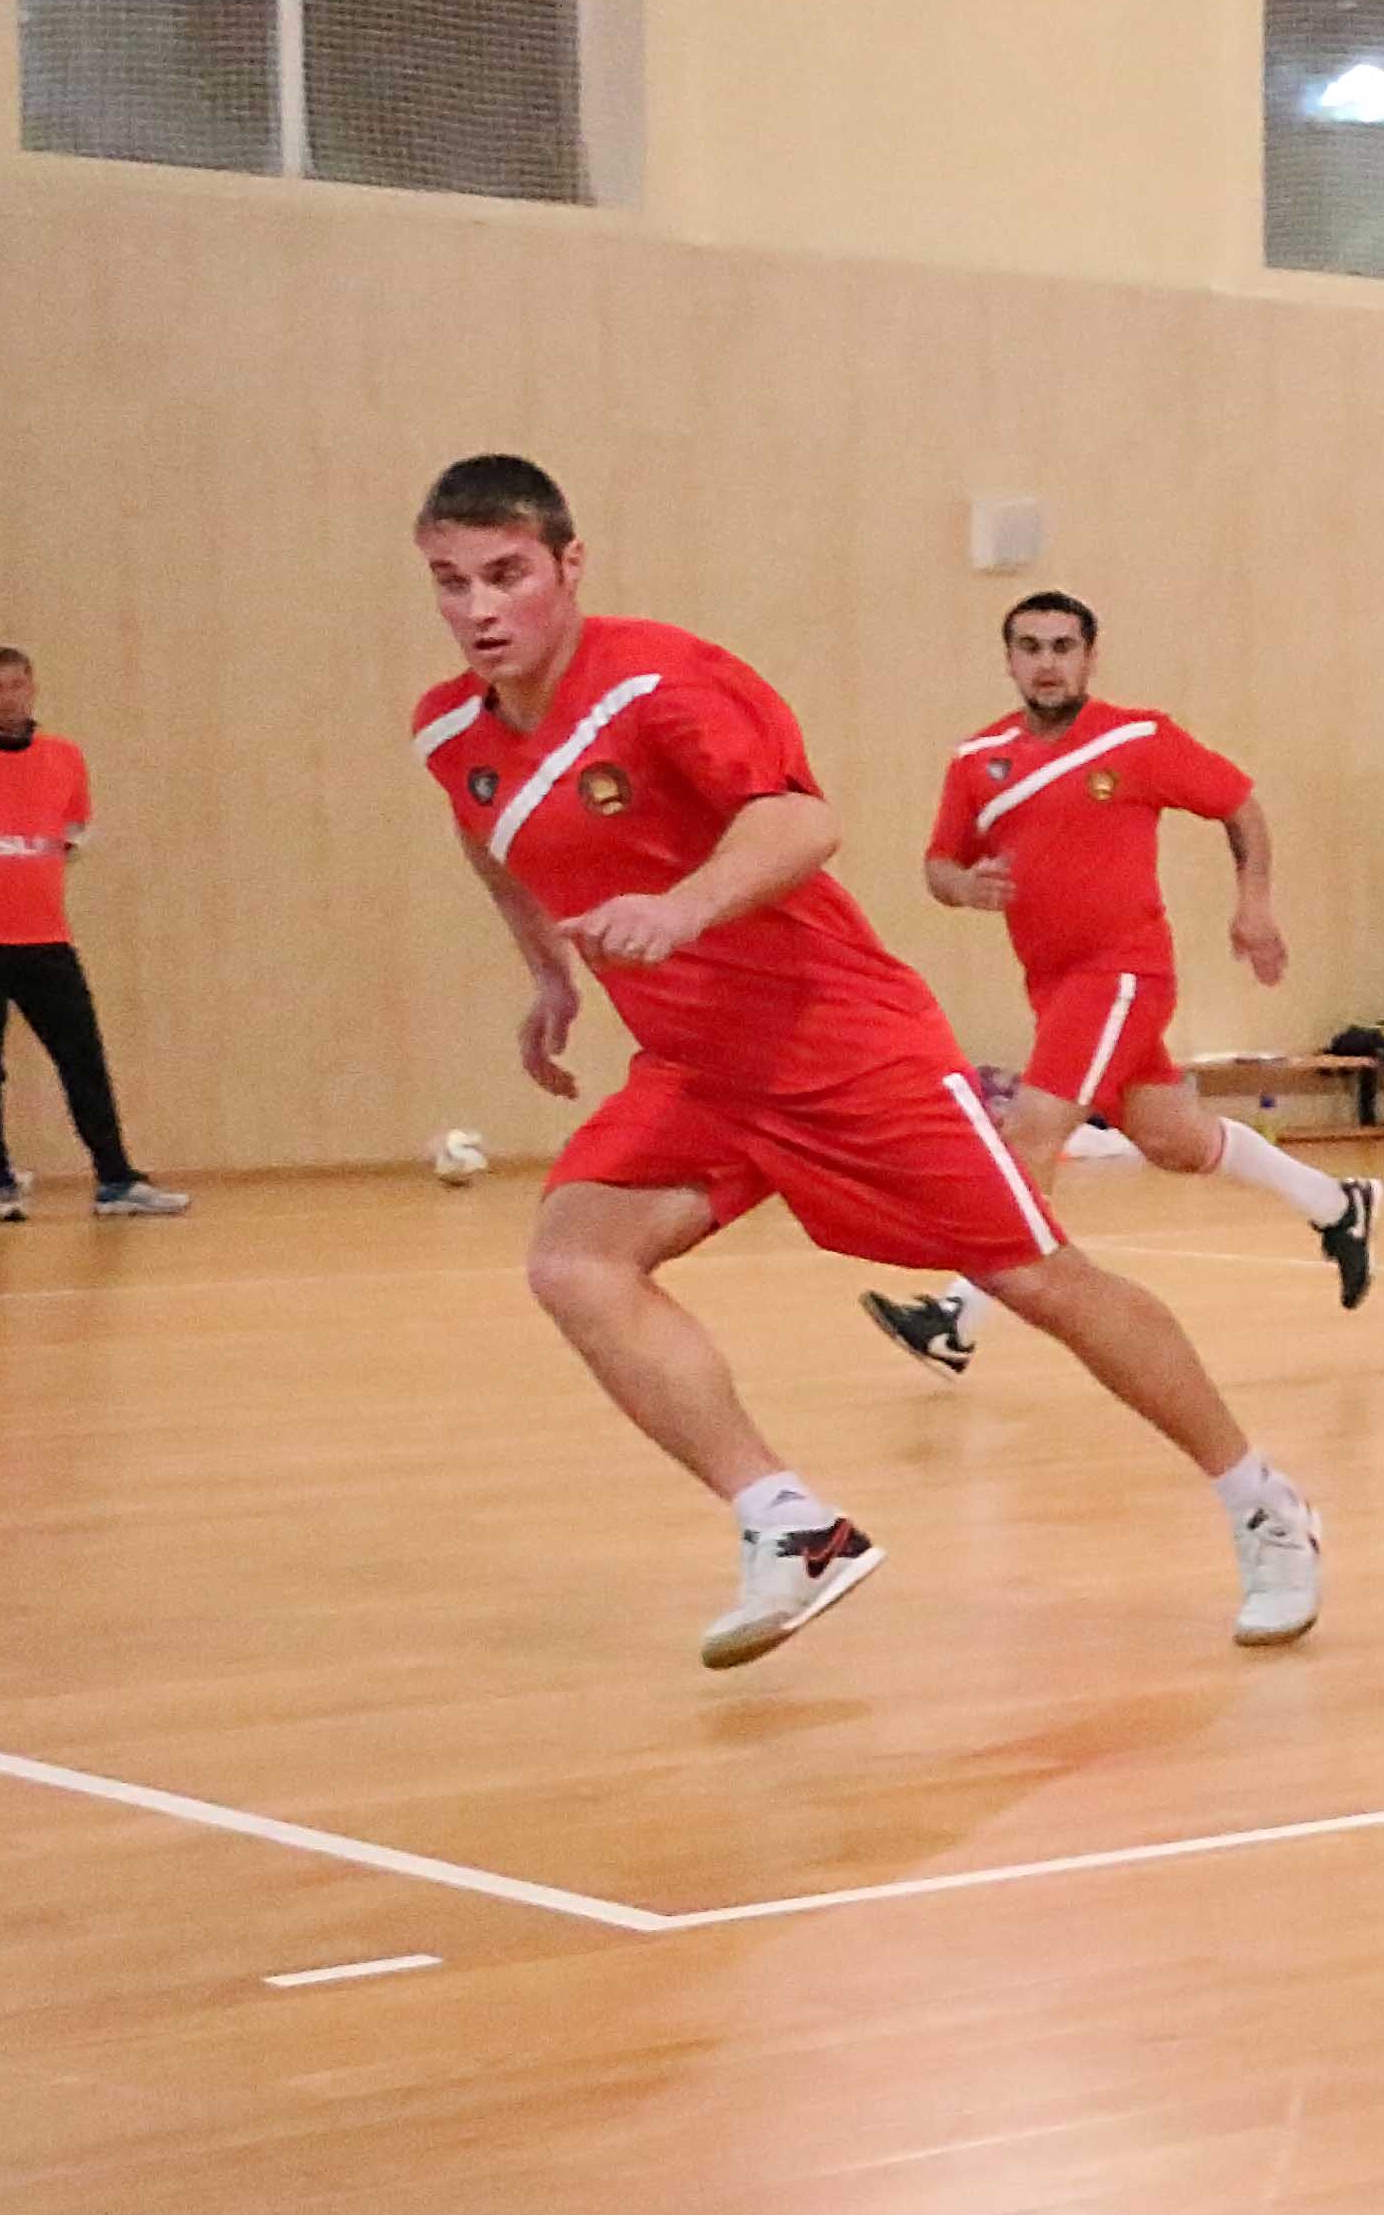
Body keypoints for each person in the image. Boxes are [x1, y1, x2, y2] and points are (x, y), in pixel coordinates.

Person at [403, 459, 1325, 1664]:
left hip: (840, 1043)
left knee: (1038, 1279)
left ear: (569, 566)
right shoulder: (452, 728)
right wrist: (548, 973)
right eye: (451, 582)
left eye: (506, 575)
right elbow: (490, 835)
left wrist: (684, 908)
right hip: (696, 1069)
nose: (479, 609)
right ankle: (791, 1528)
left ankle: (1263, 1503)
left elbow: (800, 821)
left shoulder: (664, 681)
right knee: (576, 1261)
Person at [859, 593, 1380, 1378]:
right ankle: (1337, 1204)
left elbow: (1240, 807)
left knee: (1031, 1133)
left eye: (1062, 646)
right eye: (1030, 647)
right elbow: (939, 864)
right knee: (1175, 1141)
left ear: (1089, 657)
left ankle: (955, 1318)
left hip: (1124, 974)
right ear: (1009, 659)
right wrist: (965, 887)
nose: (1047, 662)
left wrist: (1254, 905)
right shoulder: (977, 760)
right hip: (1052, 984)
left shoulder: (1137, 739)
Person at [0, 647, 184, 1219]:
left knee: (82, 1058)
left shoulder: (65, 757)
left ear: (32, 688)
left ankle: (115, 1180)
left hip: (45, 939)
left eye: (17, 684)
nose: (8, 697)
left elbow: (73, 831)